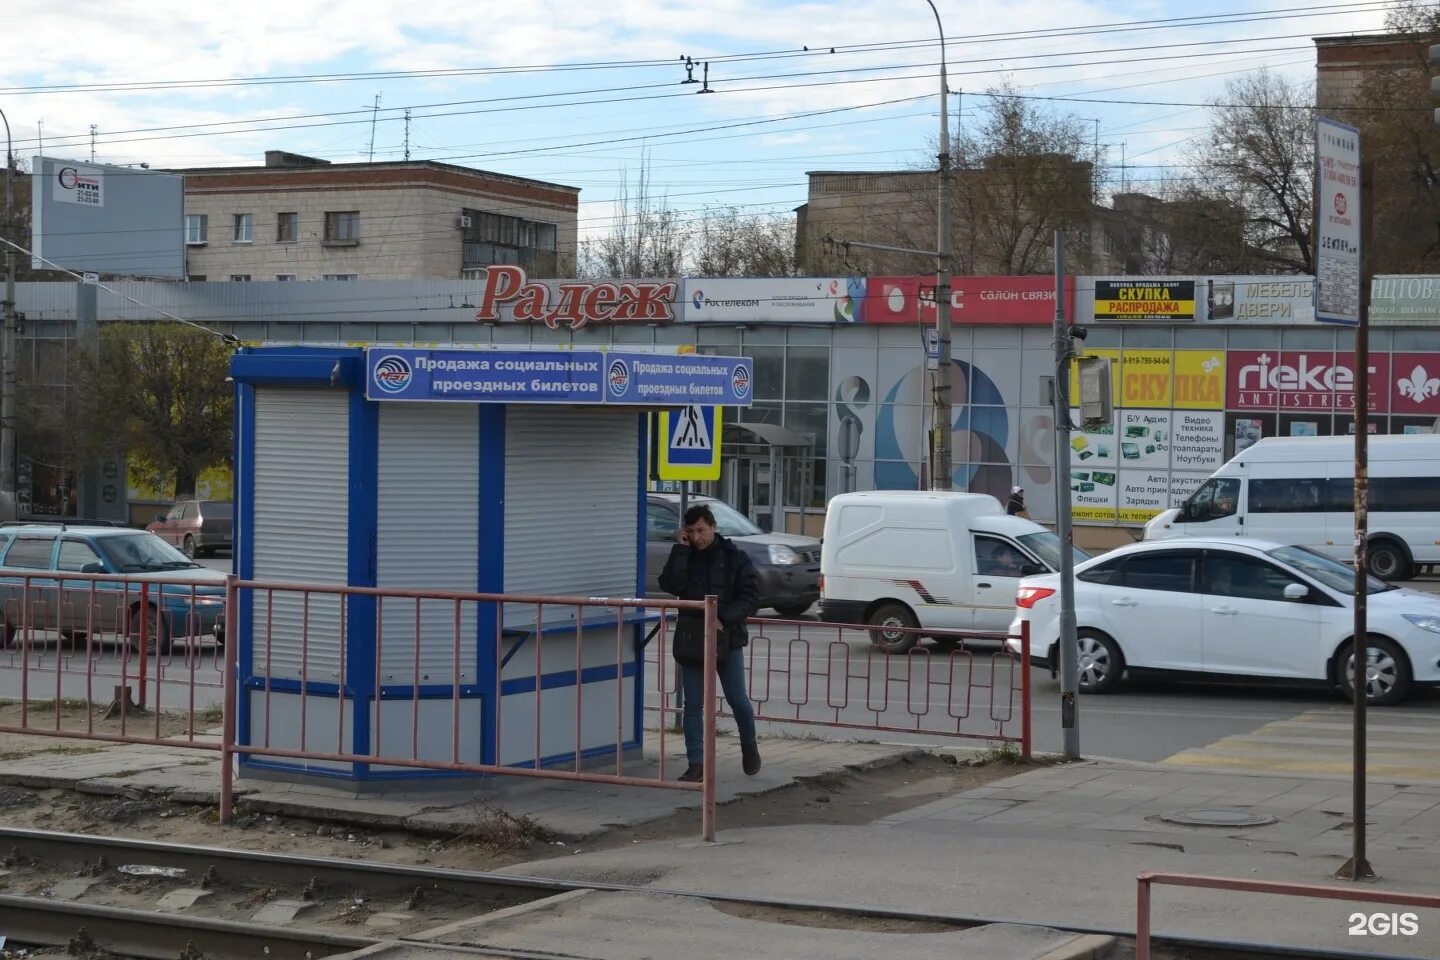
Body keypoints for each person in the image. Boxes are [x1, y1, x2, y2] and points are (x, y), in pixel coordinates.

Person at [658, 504, 762, 782]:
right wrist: (680, 550)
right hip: (692, 637)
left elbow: (750, 597)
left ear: (714, 527)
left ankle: (749, 745)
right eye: (690, 532)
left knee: (737, 699)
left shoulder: (734, 557)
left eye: (701, 530)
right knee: (693, 705)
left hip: (727, 637)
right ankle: (696, 764)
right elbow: (671, 584)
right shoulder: (685, 554)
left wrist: (723, 618)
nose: (697, 537)